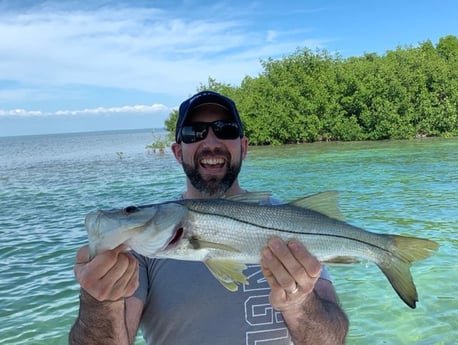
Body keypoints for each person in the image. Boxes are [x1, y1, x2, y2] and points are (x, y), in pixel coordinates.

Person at [69, 91, 349, 345]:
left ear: (245, 146)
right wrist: (100, 302)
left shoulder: (292, 223)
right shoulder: (138, 252)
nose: (211, 142)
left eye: (225, 130)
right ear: (178, 152)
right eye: (194, 133)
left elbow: (332, 341)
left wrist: (300, 304)